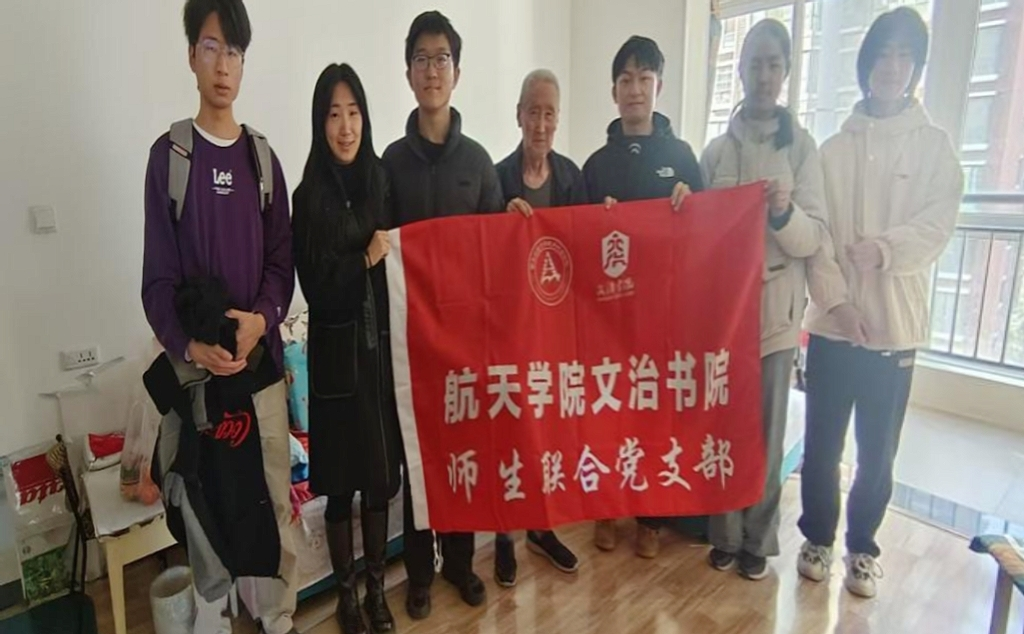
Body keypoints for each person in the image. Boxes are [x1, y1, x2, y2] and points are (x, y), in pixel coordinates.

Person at [141, 1, 297, 632]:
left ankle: (278, 619)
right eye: (211, 47)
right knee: (209, 507)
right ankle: (224, 619)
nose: (223, 64)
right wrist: (188, 346)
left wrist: (262, 318)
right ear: (191, 56)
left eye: (233, 51)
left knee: (272, 505)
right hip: (200, 383)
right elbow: (157, 280)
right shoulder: (170, 158)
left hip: (259, 376)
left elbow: (281, 265)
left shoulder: (262, 161)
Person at [798, 7, 962, 599]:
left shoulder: (934, 148)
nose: (892, 66)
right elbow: (816, 238)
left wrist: (886, 251)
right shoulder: (833, 150)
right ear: (866, 63)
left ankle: (863, 548)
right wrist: (838, 304)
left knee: (877, 452)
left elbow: (937, 225)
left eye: (904, 55)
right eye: (883, 54)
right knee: (822, 445)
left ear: (916, 67)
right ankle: (816, 537)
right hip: (833, 325)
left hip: (895, 327)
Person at [700, 19, 858, 582]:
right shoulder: (716, 152)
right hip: (725, 317)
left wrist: (784, 213)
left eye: (773, 64)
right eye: (755, 64)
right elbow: (698, 237)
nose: (763, 75)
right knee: (723, 429)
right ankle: (723, 535)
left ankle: (757, 540)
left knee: (766, 436)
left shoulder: (803, 150)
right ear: (740, 71)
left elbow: (814, 238)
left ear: (786, 71)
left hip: (775, 316)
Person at [381, 10, 504, 619]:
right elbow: (379, 248)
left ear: (457, 71)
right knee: (418, 459)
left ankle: (459, 563)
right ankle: (419, 573)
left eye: (442, 59)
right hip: (411, 345)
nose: (432, 70)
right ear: (408, 73)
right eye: (422, 59)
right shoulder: (389, 163)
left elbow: (498, 254)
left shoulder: (478, 164)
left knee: (464, 457)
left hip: (465, 344)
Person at [583, 35, 703, 560]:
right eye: (626, 80)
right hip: (611, 316)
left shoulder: (682, 158)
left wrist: (690, 204)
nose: (635, 89)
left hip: (664, 316)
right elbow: (580, 245)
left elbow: (706, 235)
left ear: (659, 87)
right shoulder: (596, 165)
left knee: (655, 415)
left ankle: (651, 519)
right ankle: (607, 508)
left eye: (644, 79)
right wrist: (599, 221)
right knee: (610, 412)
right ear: (614, 91)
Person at [292, 63, 401, 634]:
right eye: (334, 114)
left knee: (378, 483)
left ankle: (378, 590)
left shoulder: (381, 180)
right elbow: (314, 284)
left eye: (353, 112)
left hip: (379, 355)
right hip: (335, 361)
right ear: (320, 122)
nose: (345, 126)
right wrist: (363, 259)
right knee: (339, 489)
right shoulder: (307, 196)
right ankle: (346, 596)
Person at [491, 69, 584, 588]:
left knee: (549, 435)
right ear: (518, 115)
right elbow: (482, 255)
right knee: (511, 434)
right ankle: (505, 537)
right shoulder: (497, 178)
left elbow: (589, 246)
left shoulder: (571, 179)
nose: (541, 124)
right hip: (510, 332)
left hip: (556, 333)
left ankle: (542, 528)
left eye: (550, 113)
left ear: (558, 118)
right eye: (533, 112)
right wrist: (500, 222)